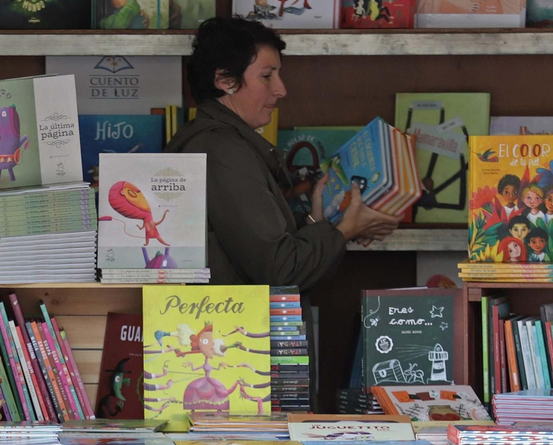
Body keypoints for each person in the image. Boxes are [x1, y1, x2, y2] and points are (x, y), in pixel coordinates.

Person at [164, 17, 398, 288]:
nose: (281, 89)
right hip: (234, 329)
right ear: (225, 80)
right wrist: (345, 230)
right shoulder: (223, 151)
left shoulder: (217, 141)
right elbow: (281, 269)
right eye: (267, 76)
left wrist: (315, 221)